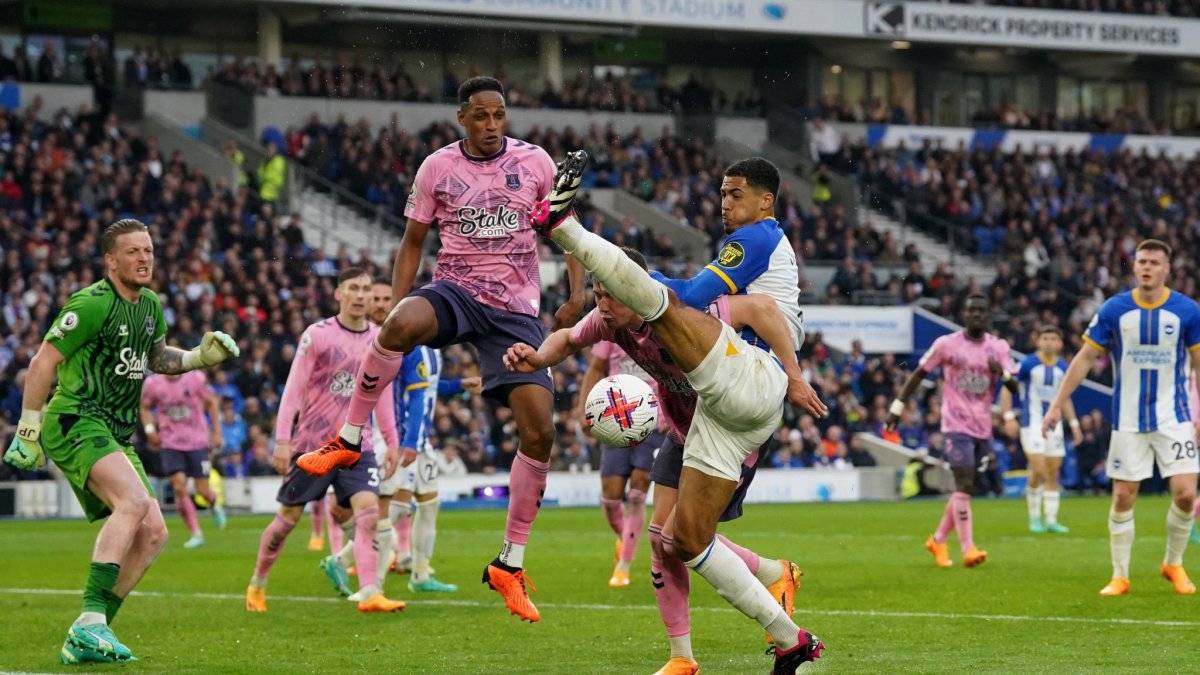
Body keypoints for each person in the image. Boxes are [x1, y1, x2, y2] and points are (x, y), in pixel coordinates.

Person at [295, 76, 586, 623]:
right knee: (401, 326)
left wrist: (574, 296)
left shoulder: (537, 163)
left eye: (499, 115)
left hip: (516, 314)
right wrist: (395, 309)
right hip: (454, 291)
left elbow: (565, 227)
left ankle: (510, 563)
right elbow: (412, 242)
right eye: (480, 116)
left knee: (541, 430)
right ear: (462, 118)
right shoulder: (437, 167)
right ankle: (347, 439)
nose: (492, 125)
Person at [529, 152, 826, 673]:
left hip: (752, 378)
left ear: (765, 201)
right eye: (721, 194)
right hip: (719, 410)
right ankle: (791, 639)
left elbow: (710, 300)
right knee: (682, 539)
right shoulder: (734, 252)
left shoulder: (759, 238)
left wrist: (794, 375)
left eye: (735, 195)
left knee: (665, 305)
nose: (724, 204)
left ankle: (564, 226)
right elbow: (575, 337)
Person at [3, 219, 239, 664]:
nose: (144, 258)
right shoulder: (90, 304)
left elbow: (157, 358)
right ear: (111, 261)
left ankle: (89, 631)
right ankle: (92, 620)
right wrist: (27, 432)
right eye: (133, 252)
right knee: (132, 503)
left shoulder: (150, 305)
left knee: (154, 532)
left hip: (115, 430)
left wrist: (197, 357)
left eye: (148, 250)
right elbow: (41, 363)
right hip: (75, 419)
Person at [1043, 239, 1200, 596]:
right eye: (1142, 261)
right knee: (1124, 496)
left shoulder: (1187, 311)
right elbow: (1084, 359)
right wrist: (1056, 404)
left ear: (1167, 269)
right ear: (1134, 267)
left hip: (1174, 417)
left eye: (1154, 262)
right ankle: (1120, 575)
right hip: (1128, 420)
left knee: (1186, 494)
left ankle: (1173, 563)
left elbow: (1198, 364)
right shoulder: (1115, 309)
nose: (1147, 267)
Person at [244, 268, 405, 614]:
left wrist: (391, 442)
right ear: (338, 294)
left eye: (365, 289)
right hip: (314, 446)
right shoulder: (317, 335)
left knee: (366, 513)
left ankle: (369, 591)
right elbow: (293, 389)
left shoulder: (381, 338)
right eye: (353, 289)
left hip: (355, 447)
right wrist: (283, 439)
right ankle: (258, 582)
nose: (361, 295)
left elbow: (384, 395)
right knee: (286, 520)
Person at [886, 293, 1018, 570]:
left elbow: (1015, 387)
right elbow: (919, 374)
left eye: (982, 311)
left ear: (989, 315)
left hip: (982, 427)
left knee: (966, 488)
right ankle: (968, 548)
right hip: (955, 424)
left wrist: (1002, 374)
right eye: (972, 310)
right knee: (964, 482)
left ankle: (938, 539)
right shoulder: (947, 345)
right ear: (964, 314)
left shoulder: (999, 348)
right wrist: (897, 407)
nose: (977, 315)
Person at [575, 338, 662, 587]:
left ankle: (623, 566)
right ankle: (625, 537)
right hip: (615, 418)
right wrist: (584, 410)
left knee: (637, 493)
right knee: (611, 497)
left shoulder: (657, 324)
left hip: (652, 418)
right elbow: (595, 367)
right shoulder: (609, 331)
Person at [999, 325, 1082, 534]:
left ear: (1060, 343)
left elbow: (1065, 398)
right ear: (1038, 341)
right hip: (1031, 424)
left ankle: (1051, 520)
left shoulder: (1063, 367)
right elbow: (1007, 387)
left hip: (1055, 426)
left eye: (1053, 338)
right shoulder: (1028, 363)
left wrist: (1074, 424)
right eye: (1045, 338)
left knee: (1053, 473)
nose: (1048, 342)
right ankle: (1035, 518)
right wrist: (1008, 416)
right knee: (1038, 469)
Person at [140, 368, 227, 548]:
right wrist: (150, 431)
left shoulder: (195, 378)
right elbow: (145, 406)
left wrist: (217, 432)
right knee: (179, 488)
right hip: (170, 443)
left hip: (197, 441)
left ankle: (213, 503)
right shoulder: (153, 384)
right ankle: (196, 533)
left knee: (202, 490)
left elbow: (211, 402)